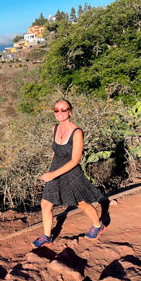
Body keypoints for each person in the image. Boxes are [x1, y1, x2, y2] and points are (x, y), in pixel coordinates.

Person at [32, 99, 105, 249]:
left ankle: (98, 226)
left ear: (70, 111)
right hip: (55, 170)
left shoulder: (77, 132)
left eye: (63, 109)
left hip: (71, 172)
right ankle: (47, 236)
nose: (60, 113)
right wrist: (51, 171)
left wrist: (52, 175)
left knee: (82, 203)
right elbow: (55, 152)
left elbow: (74, 160)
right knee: (45, 204)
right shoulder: (54, 128)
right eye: (56, 110)